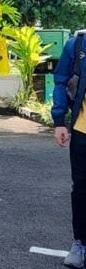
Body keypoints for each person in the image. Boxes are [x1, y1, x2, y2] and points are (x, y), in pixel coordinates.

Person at [52, 33, 86, 268]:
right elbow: (61, 80)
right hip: (83, 128)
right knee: (82, 188)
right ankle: (80, 243)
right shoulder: (77, 45)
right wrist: (59, 121)